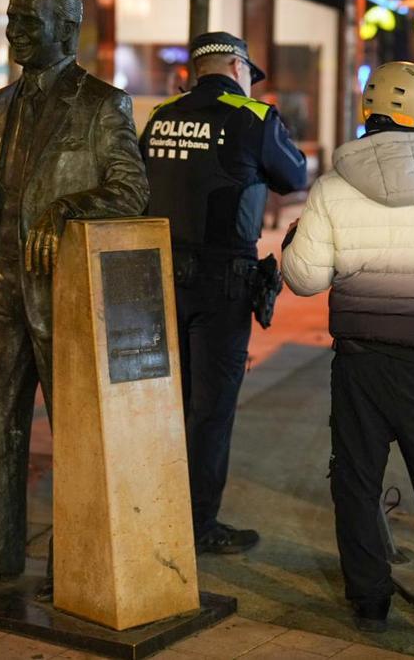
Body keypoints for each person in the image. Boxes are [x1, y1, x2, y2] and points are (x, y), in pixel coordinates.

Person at [0, 0, 150, 595]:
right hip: (1, 288)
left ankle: (74, 566)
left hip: (63, 294)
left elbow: (130, 190)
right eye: (11, 19)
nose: (15, 31)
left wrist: (72, 209)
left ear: (67, 25)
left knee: (75, 430)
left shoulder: (103, 104)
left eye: (27, 20)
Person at [281, 61, 414, 631]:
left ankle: (370, 598)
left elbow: (304, 278)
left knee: (356, 481)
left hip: (360, 363)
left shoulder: (331, 187)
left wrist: (290, 246)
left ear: (367, 111)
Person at [141, 32, 308, 554]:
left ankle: (158, 507)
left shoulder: (160, 116)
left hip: (158, 274)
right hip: (222, 282)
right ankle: (197, 524)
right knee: (211, 408)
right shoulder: (253, 118)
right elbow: (295, 175)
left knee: (170, 400)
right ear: (238, 67)